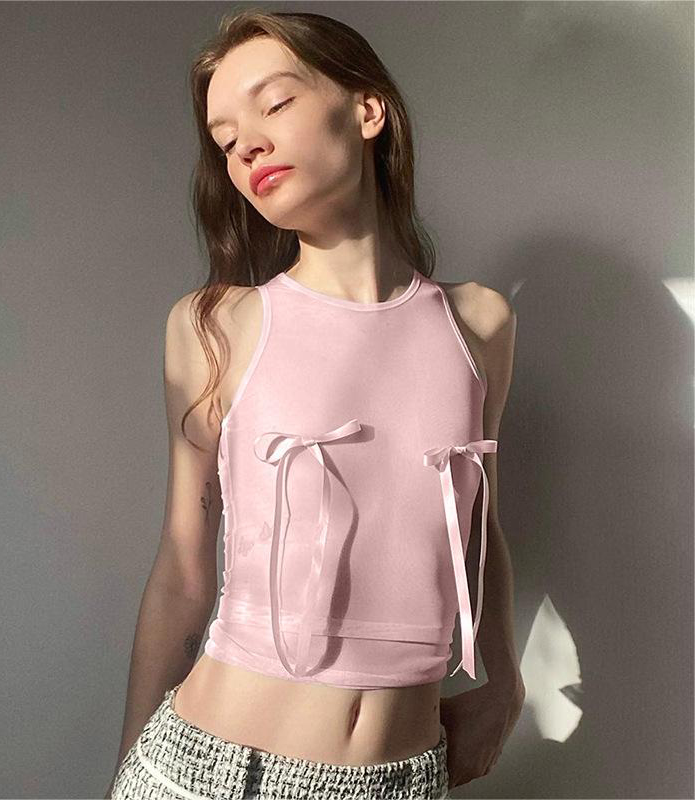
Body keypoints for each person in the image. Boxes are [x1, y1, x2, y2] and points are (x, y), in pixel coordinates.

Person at [107, 9, 524, 800]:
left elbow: (479, 525)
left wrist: (504, 683)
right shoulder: (215, 325)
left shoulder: (479, 323)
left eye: (273, 104)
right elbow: (184, 570)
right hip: (211, 773)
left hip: (405, 779)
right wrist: (127, 770)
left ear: (367, 110)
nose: (246, 147)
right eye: (225, 140)